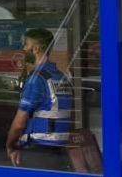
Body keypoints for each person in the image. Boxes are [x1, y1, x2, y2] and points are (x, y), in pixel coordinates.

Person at [5, 28, 74, 171]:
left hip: (39, 151)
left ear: (35, 49)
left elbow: (19, 123)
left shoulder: (37, 79)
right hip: (61, 150)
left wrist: (11, 146)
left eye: (26, 45)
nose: (23, 49)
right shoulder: (60, 76)